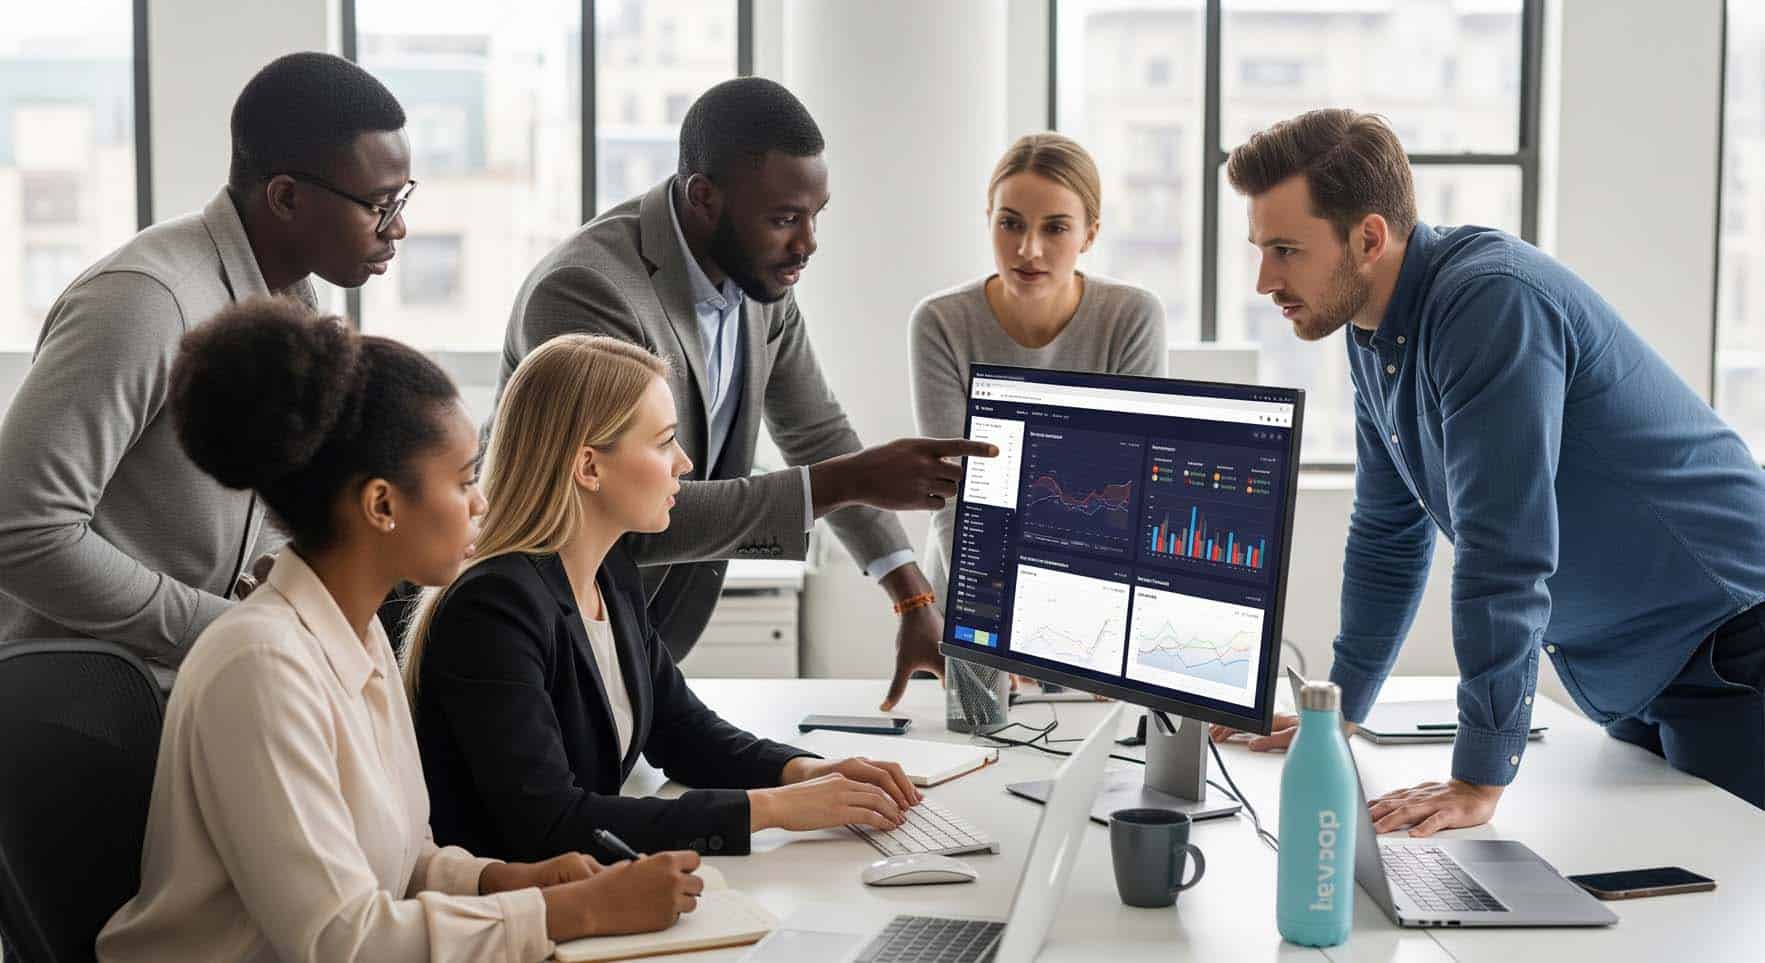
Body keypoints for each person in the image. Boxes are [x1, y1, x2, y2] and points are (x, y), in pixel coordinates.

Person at [97, 299, 703, 963]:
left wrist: (499, 880)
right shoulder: (261, 664)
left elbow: (393, 859)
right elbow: (341, 938)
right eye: (466, 479)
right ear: (382, 504)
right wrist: (570, 910)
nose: (481, 502)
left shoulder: (358, 637)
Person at [1210, 108, 1765, 830]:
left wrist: (1475, 777)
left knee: (1724, 901)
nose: (1263, 279)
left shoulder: (1489, 300)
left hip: (1732, 641)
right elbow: (1386, 535)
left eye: (1285, 249)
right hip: (1634, 667)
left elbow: (1503, 548)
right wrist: (1336, 712)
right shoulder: (1370, 330)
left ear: (1368, 237)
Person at [500, 77, 995, 712]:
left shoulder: (759, 284)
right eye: (785, 219)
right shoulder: (589, 291)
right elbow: (615, 511)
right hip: (546, 647)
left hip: (638, 649)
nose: (808, 243)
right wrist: (845, 481)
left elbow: (815, 432)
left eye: (816, 215)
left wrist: (911, 594)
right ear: (703, 197)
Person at [406, 334, 923, 864]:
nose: (684, 462)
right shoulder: (495, 609)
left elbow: (681, 730)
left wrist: (808, 771)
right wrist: (773, 808)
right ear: (588, 467)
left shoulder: (610, 571)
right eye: (663, 441)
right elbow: (550, 823)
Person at [0, 52, 416, 677]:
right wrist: (222, 630)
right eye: (379, 205)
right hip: (89, 711)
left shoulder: (290, 303)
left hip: (200, 683)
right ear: (285, 198)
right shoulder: (144, 302)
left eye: (402, 198)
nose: (399, 227)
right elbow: (21, 530)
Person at [910, 131, 1165, 616]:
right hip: (970, 595)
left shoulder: (1131, 316)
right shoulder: (941, 322)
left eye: (1055, 229)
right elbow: (954, 489)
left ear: (1090, 234)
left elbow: (1128, 490)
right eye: (1010, 224)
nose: (1028, 250)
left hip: (1092, 602)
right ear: (988, 221)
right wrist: (991, 615)